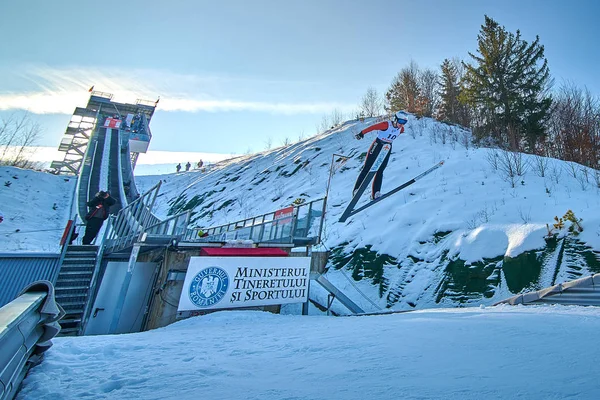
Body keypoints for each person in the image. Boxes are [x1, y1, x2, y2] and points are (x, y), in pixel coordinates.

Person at [352, 111, 409, 200]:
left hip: (387, 147)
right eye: (400, 122)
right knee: (367, 167)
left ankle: (376, 193)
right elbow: (373, 127)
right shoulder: (386, 125)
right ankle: (357, 189)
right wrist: (361, 133)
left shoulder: (401, 129)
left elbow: (396, 133)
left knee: (380, 170)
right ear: (395, 119)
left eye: (404, 122)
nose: (402, 125)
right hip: (377, 145)